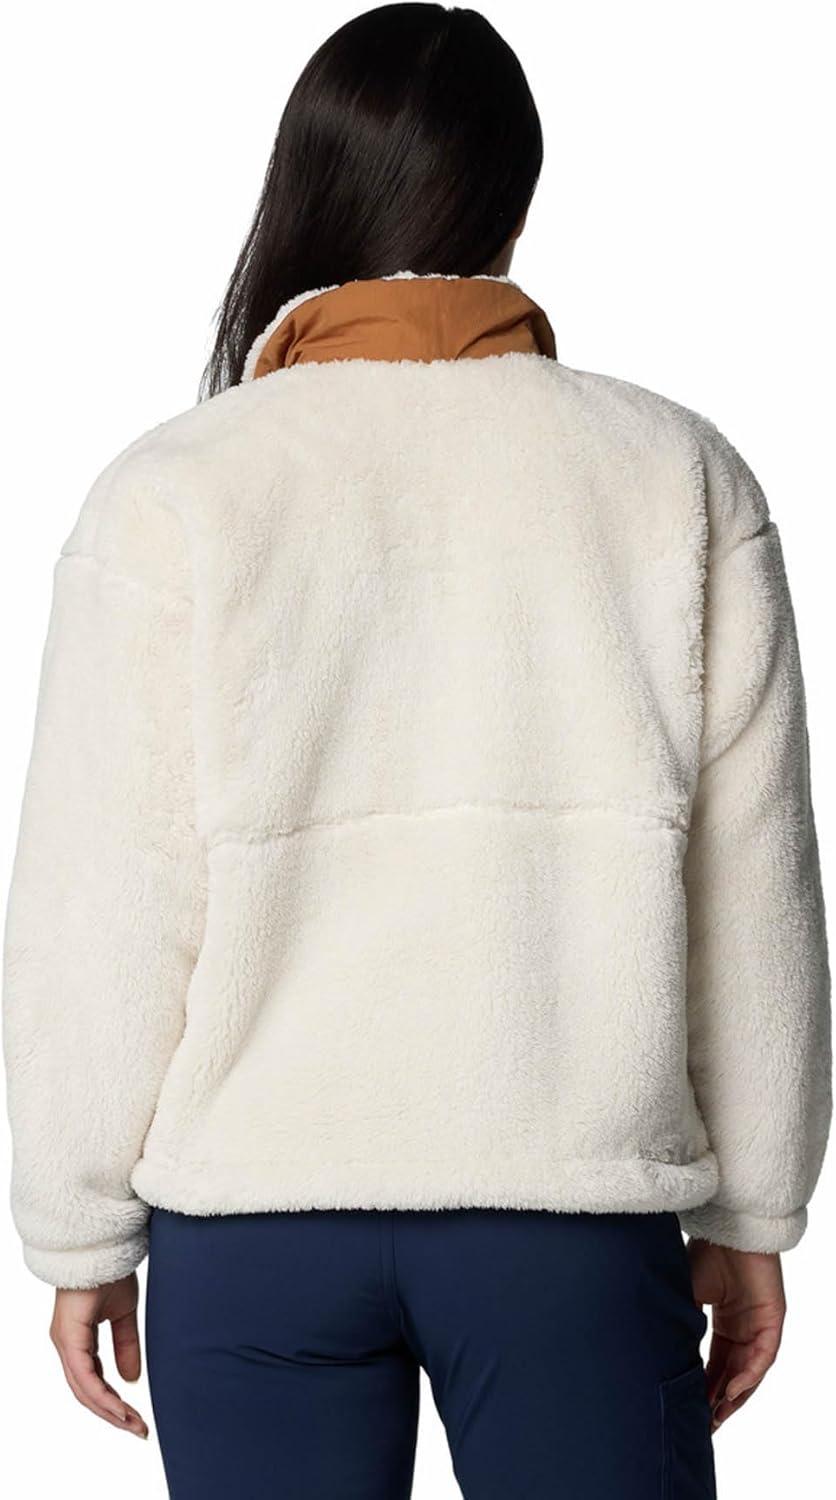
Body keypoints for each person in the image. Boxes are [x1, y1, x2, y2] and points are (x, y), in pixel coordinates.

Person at [2, 4, 831, 1497]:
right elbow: (753, 889)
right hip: (569, 1219)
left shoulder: (173, 490)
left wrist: (76, 1228)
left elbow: (98, 904)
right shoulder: (676, 474)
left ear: (306, 188)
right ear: (515, 197)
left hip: (253, 1226)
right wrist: (755, 1212)